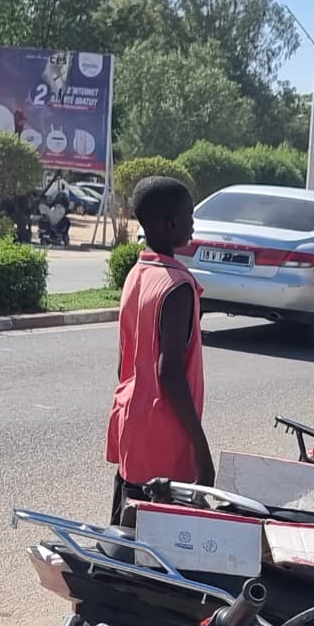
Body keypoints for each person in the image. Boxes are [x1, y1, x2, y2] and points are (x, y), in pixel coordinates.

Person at [108, 177, 212, 523]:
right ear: (171, 224)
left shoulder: (138, 273)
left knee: (124, 529)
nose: (193, 223)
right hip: (164, 437)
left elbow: (126, 358)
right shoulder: (177, 286)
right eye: (189, 216)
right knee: (155, 547)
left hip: (132, 421)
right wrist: (200, 447)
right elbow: (168, 372)